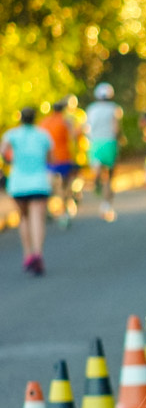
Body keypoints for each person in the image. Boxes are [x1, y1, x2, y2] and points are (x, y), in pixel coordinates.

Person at [1, 107, 54, 276]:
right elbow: (51, 158)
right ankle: (38, 253)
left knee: (24, 218)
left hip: (18, 184)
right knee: (38, 217)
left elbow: (4, 154)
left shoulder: (11, 134)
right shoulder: (43, 135)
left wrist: (11, 161)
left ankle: (28, 254)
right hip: (39, 182)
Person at [84, 82, 122, 219]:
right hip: (110, 143)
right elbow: (116, 128)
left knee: (98, 167)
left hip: (95, 143)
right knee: (110, 178)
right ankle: (107, 204)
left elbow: (87, 128)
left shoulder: (91, 109)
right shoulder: (114, 109)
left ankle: (97, 175)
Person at [39, 98, 79, 222]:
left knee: (50, 184)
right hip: (64, 157)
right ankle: (64, 210)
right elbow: (73, 136)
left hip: (49, 159)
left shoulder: (44, 122)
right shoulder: (66, 121)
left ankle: (47, 210)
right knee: (65, 185)